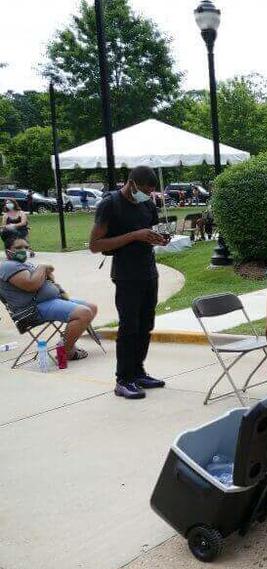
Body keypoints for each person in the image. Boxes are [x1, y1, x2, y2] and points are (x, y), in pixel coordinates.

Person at [89, 166, 169, 400]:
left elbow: (148, 232)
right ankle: (123, 379)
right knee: (129, 326)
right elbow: (95, 245)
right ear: (131, 183)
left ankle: (138, 371)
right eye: (144, 190)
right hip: (126, 274)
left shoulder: (147, 205)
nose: (147, 195)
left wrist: (158, 239)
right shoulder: (110, 204)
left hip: (148, 271)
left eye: (151, 192)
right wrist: (134, 236)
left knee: (146, 324)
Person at [1, 235, 97, 360]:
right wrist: (42, 267)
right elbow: (32, 285)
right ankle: (66, 353)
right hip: (31, 310)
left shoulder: (23, 264)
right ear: (8, 251)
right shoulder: (8, 266)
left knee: (91, 307)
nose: (23, 250)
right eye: (18, 248)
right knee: (83, 313)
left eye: (26, 247)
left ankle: (65, 342)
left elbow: (49, 270)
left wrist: (45, 269)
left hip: (49, 301)